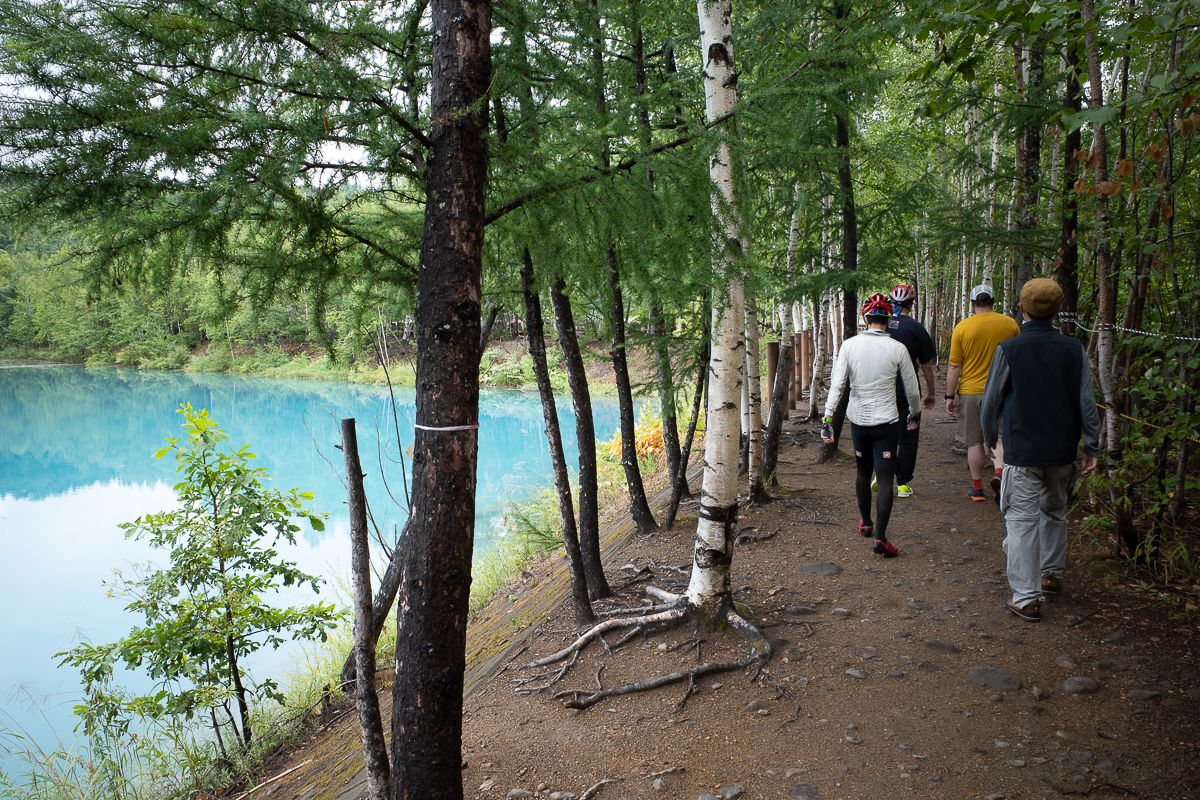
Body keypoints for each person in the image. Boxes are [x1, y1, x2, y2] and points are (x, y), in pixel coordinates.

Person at [981, 278, 1099, 622]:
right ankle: (1051, 574)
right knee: (1054, 512)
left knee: (1021, 521)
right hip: (1062, 449)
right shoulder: (1073, 349)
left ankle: (1026, 597)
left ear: (1022, 308)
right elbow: (1086, 402)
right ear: (1058, 310)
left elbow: (992, 400)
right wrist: (1091, 445)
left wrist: (990, 437)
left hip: (1022, 450)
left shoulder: (1009, 350)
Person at [822, 293, 921, 557]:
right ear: (888, 319)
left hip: (858, 421)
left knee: (863, 471)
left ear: (865, 318)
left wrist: (828, 417)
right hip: (887, 421)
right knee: (886, 477)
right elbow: (911, 388)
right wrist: (915, 412)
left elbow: (838, 384)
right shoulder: (897, 348)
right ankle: (880, 538)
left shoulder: (849, 345)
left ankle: (865, 521)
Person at [946, 284, 1020, 503]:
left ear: (972, 303)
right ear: (993, 301)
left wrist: (949, 396)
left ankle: (977, 489)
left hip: (971, 391)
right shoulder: (1010, 324)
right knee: (1001, 437)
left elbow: (954, 366)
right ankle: (999, 473)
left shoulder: (963, 327)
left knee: (974, 441)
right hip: (1004, 389)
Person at [884, 283, 936, 497]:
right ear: (911, 304)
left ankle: (883, 471)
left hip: (882, 389)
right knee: (908, 435)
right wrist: (931, 392)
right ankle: (903, 483)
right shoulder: (916, 328)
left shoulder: (880, 325)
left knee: (885, 432)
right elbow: (926, 364)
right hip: (908, 389)